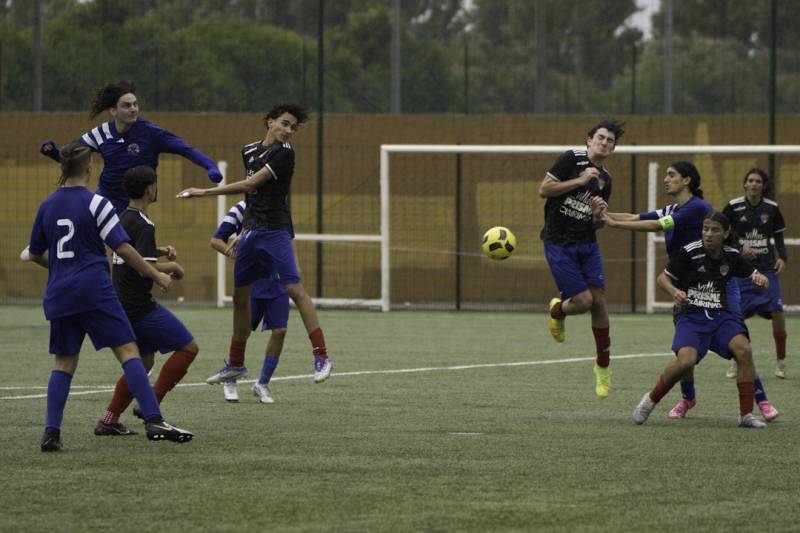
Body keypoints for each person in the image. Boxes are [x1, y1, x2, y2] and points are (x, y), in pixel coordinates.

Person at [26, 142, 192, 451]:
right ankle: (154, 420)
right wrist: (157, 274)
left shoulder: (47, 205)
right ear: (90, 168)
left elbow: (35, 254)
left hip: (60, 293)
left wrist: (62, 265)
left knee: (63, 363)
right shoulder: (97, 203)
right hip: (94, 290)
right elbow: (124, 249)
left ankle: (51, 433)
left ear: (63, 168)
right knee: (129, 351)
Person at [598, 162, 778, 422]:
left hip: (720, 284)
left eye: (671, 175)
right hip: (686, 286)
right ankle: (687, 398)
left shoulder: (696, 207)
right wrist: (605, 215)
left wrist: (612, 224)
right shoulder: (674, 209)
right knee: (686, 354)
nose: (666, 179)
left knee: (740, 345)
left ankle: (760, 402)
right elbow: (636, 217)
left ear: (687, 180)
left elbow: (657, 226)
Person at [177, 103, 334, 384]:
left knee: (294, 289)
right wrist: (244, 228)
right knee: (240, 298)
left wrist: (204, 192)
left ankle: (322, 356)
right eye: (284, 123)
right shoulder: (248, 150)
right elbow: (252, 198)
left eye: (293, 127)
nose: (288, 130)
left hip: (276, 230)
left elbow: (250, 186)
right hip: (251, 231)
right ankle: (236, 364)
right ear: (269, 121)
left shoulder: (285, 154)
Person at [632, 212, 770, 429]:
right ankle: (650, 400)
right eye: (705, 229)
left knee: (744, 350)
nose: (708, 234)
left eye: (715, 230)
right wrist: (674, 291)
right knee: (686, 362)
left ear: (726, 233)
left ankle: (746, 414)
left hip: (720, 316)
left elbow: (754, 275)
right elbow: (662, 278)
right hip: (691, 315)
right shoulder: (689, 252)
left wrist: (760, 278)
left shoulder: (731, 256)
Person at [92, 166, 200, 435]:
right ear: (150, 189)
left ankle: (108, 420)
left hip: (121, 302)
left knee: (143, 363)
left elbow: (131, 253)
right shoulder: (145, 223)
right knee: (188, 348)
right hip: (138, 306)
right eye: (155, 184)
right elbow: (144, 268)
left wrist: (159, 250)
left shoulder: (123, 217)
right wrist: (172, 267)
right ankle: (151, 402)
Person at [40, 80, 222, 213]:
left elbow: (185, 149)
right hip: (106, 199)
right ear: (113, 111)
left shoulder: (150, 133)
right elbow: (73, 157)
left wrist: (210, 166)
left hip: (136, 204)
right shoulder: (101, 133)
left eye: (135, 104)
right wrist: (55, 153)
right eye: (127, 106)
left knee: (131, 245)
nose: (133, 109)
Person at [539, 119, 624, 399]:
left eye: (610, 141)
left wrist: (598, 214)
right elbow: (544, 190)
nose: (605, 143)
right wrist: (579, 180)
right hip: (559, 243)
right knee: (584, 301)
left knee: (598, 301)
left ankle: (603, 367)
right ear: (589, 139)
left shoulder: (606, 179)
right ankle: (557, 311)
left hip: (587, 243)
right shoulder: (571, 159)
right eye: (601, 137)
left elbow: (597, 223)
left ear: (613, 148)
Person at [210, 200, 289, 404]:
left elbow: (286, 241)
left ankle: (262, 384)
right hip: (252, 284)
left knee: (280, 331)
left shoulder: (279, 207)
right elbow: (216, 240)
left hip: (277, 281)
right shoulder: (241, 209)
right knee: (243, 331)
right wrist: (240, 256)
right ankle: (230, 380)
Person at [722, 168, 788, 379]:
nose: (753, 184)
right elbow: (722, 233)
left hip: (767, 269)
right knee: (737, 316)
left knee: (777, 312)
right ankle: (735, 361)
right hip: (742, 271)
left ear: (763, 185)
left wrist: (782, 257)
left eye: (758, 181)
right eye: (750, 180)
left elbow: (778, 237)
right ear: (744, 184)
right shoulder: (733, 207)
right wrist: (739, 247)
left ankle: (781, 362)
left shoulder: (772, 208)